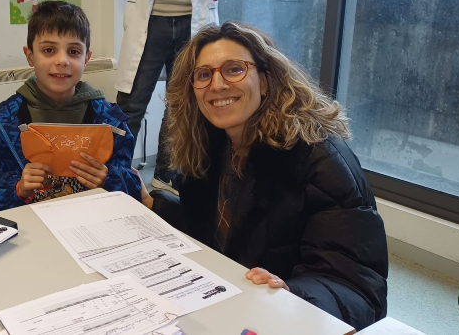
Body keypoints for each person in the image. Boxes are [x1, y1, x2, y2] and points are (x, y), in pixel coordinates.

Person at [159, 22, 389, 330]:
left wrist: (293, 294)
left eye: (234, 69)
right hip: (231, 306)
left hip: (285, 320)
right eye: (203, 75)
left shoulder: (320, 160)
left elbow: (357, 288)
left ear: (265, 81)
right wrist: (154, 204)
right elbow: (217, 233)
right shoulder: (210, 143)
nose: (217, 85)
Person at [115, 0, 246, 195]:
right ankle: (114, 172)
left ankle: (165, 174)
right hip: (150, 21)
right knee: (131, 102)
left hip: (194, 23)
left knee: (182, 104)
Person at [0, 1, 142, 212]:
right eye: (49, 50)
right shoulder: (1, 122)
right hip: (30, 226)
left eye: (74, 51)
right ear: (30, 56)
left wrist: (108, 179)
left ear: (87, 59)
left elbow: (133, 187)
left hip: (93, 222)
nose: (62, 61)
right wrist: (17, 187)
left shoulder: (111, 122)